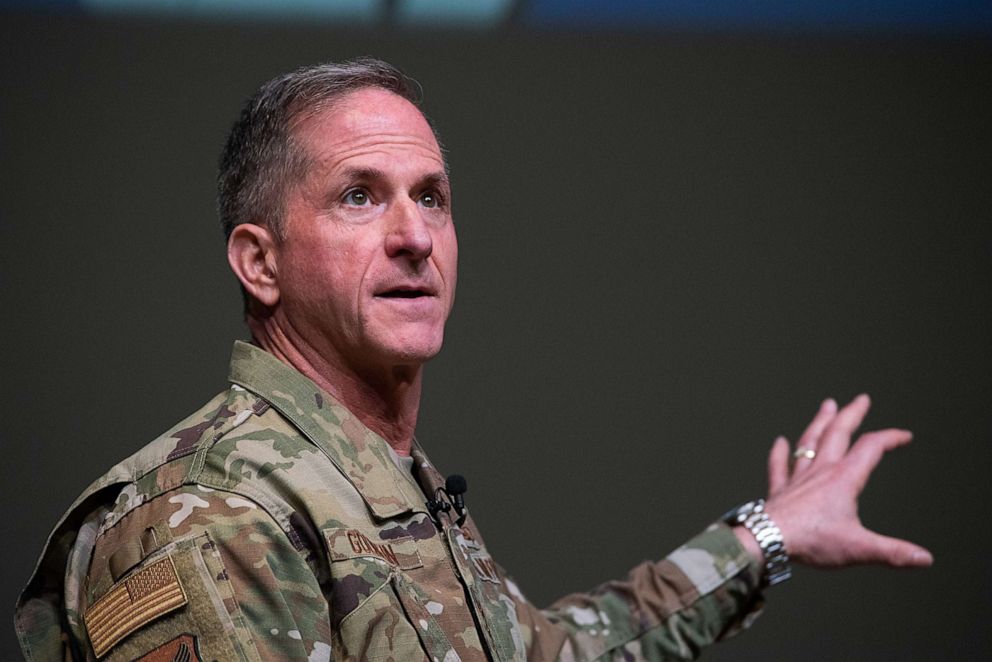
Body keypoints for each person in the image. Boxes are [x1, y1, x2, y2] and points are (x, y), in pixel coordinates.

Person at [14, 58, 932, 662]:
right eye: (360, 198)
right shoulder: (214, 514)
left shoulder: (383, 488)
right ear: (260, 262)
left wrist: (767, 535)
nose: (416, 236)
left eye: (434, 198)